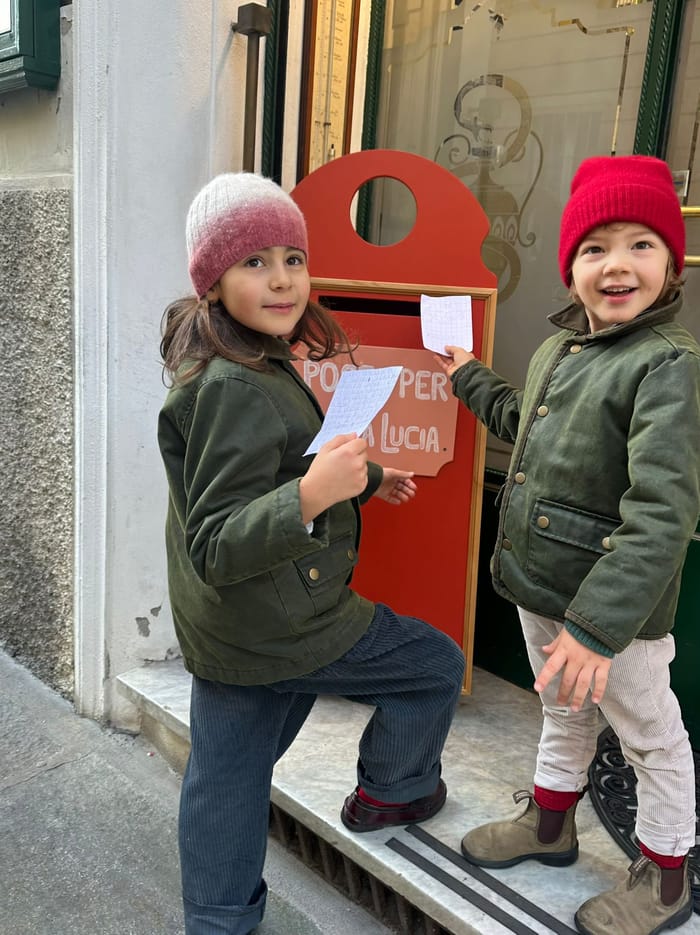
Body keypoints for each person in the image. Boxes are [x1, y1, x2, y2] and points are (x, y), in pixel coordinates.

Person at [158, 171, 465, 935]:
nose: (282, 278)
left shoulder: (249, 358)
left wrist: (361, 479)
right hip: (290, 616)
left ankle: (219, 919)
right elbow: (217, 539)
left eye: (292, 257)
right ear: (213, 279)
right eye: (254, 261)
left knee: (227, 776)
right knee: (432, 665)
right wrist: (314, 495)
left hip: (237, 625)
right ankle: (393, 789)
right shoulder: (235, 384)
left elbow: (288, 466)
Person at [437, 156, 700, 935]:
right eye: (595, 248)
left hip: (612, 617)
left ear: (672, 262)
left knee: (651, 737)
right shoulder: (562, 351)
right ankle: (551, 824)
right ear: (572, 267)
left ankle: (666, 873)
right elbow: (529, 429)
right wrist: (469, 378)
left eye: (641, 244)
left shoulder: (667, 366)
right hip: (540, 587)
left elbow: (662, 511)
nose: (616, 263)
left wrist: (594, 627)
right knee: (562, 711)